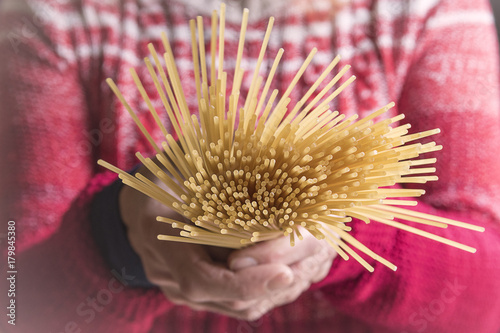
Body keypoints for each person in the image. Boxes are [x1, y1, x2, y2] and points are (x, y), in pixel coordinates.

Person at [1, 0, 500, 332]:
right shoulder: (51, 19)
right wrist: (118, 239)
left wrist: (345, 240)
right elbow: (16, 301)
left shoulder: (429, 11)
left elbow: (489, 294)